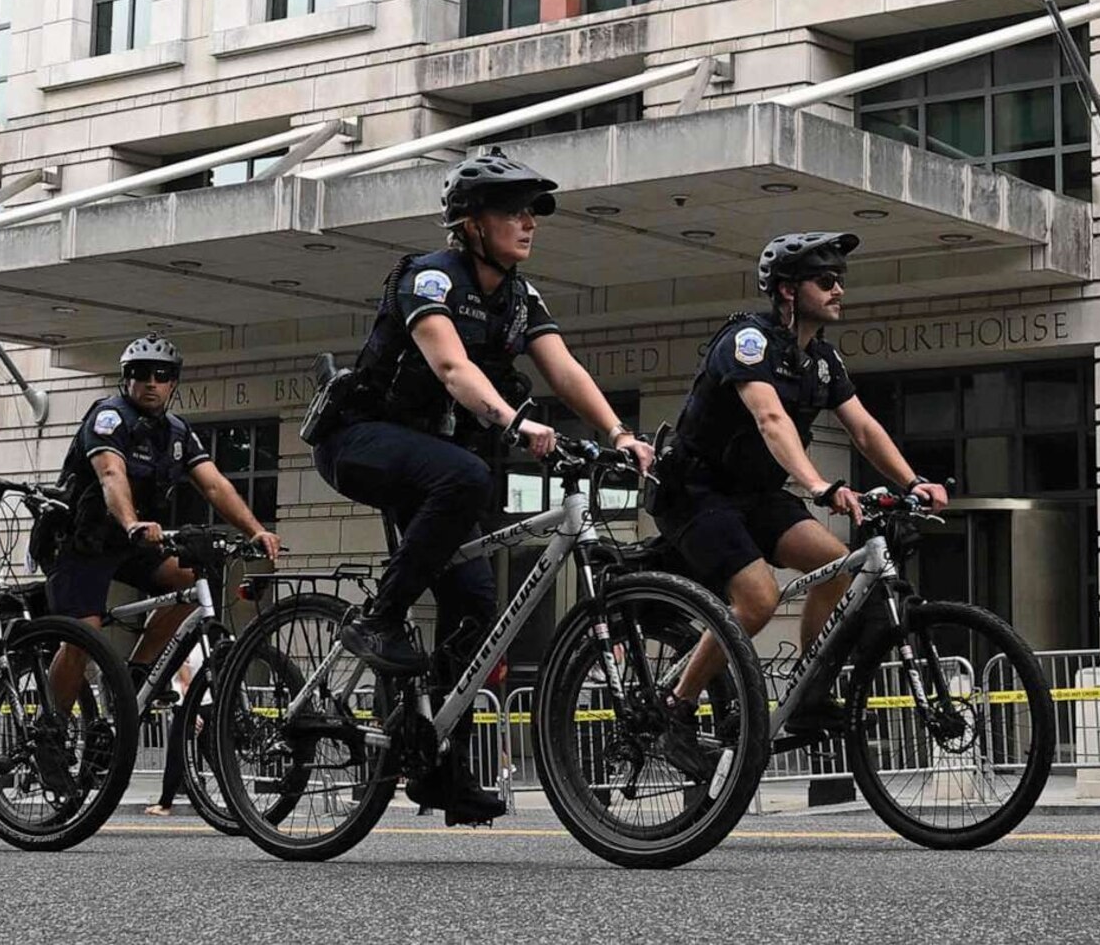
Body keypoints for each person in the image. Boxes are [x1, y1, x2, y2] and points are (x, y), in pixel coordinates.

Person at [314, 149, 654, 823]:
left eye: (533, 211)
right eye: (511, 210)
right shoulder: (431, 277)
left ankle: (442, 768)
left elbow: (565, 371)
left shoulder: (520, 298)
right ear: (470, 223)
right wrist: (512, 421)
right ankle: (379, 618)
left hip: (433, 462)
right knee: (467, 473)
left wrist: (619, 432)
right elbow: (450, 365)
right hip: (362, 440)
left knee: (475, 605)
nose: (528, 222)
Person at [648, 231, 946, 771]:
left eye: (840, 282)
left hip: (753, 494)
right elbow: (770, 418)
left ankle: (808, 694)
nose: (838, 292)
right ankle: (677, 706)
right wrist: (817, 485)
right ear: (788, 291)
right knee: (758, 599)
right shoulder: (748, 342)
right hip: (694, 491)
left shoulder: (821, 361)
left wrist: (913, 481)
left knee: (837, 566)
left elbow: (862, 427)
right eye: (825, 281)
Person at [42, 334, 280, 810]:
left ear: (174, 382)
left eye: (162, 375)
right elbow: (111, 475)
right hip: (85, 540)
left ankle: (134, 677)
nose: (151, 383)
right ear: (126, 378)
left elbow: (213, 484)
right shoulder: (109, 417)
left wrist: (256, 530)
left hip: (138, 543)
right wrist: (131, 523)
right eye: (141, 374)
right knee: (82, 635)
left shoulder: (175, 431)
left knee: (190, 582)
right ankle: (51, 733)